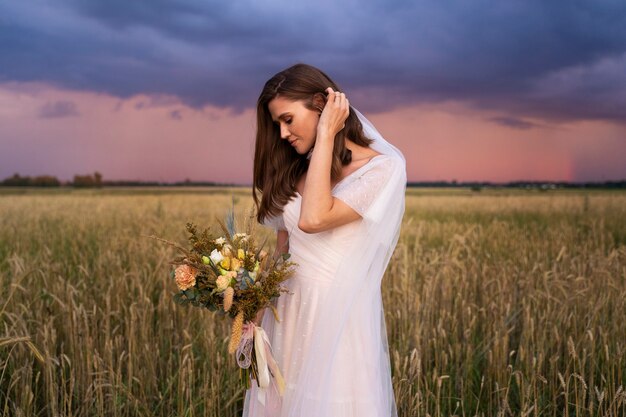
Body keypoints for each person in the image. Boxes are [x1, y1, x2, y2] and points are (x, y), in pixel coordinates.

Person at [245, 63, 406, 417]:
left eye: (288, 119)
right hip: (286, 318)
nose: (283, 133)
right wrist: (252, 321)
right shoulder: (295, 169)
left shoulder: (382, 169)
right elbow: (282, 252)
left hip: (336, 325)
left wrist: (329, 133)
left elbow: (314, 217)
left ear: (321, 104)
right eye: (277, 124)